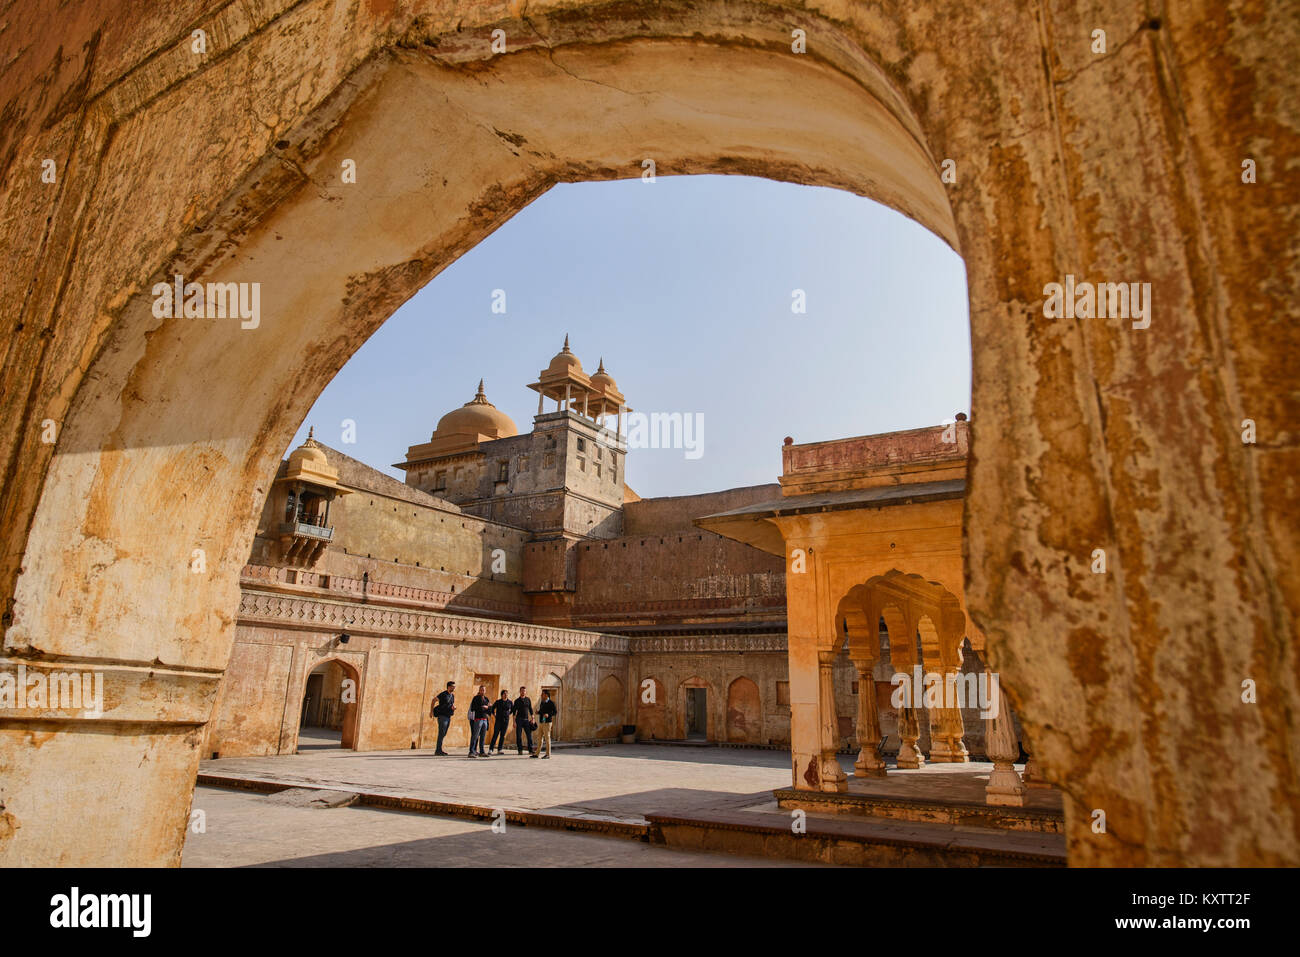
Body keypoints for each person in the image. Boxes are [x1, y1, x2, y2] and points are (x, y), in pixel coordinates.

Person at [430, 680, 455, 755]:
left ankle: (439, 749)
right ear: (449, 687)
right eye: (453, 686)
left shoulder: (452, 695)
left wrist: (453, 707)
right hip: (442, 716)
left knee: (444, 733)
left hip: (448, 716)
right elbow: (434, 700)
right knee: (441, 733)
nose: (454, 687)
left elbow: (450, 704)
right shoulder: (443, 694)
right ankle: (438, 750)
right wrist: (431, 711)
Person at [467, 684, 490, 758]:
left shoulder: (486, 699)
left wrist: (487, 707)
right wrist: (483, 708)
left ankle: (482, 751)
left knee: (483, 736)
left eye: (483, 690)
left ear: (485, 691)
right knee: (475, 736)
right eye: (481, 690)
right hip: (478, 719)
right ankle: (472, 751)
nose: (482, 691)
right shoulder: (476, 698)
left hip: (485, 719)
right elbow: (473, 708)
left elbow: (490, 709)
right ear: (479, 690)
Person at [533, 689, 557, 759]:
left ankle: (548, 754)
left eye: (542, 694)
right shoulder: (542, 702)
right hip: (541, 722)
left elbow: (555, 712)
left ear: (546, 695)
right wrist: (538, 712)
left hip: (547, 723)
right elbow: (542, 712)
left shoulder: (551, 703)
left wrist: (548, 715)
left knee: (547, 738)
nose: (541, 695)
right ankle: (537, 754)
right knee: (539, 738)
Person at [489, 689, 512, 754]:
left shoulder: (510, 702)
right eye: (504, 694)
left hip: (506, 721)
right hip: (498, 720)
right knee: (495, 734)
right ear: (501, 695)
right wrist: (494, 714)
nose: (505, 695)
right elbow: (492, 708)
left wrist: (508, 714)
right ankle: (491, 749)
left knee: (503, 735)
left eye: (506, 694)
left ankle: (500, 749)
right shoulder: (498, 702)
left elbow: (512, 709)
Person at [512, 686, 534, 755]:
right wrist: (514, 722)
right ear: (520, 691)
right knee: (519, 735)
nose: (523, 692)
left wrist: (533, 718)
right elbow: (514, 712)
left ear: (525, 692)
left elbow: (530, 709)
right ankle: (520, 750)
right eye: (522, 691)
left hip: (526, 720)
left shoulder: (528, 699)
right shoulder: (517, 701)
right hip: (519, 720)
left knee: (529, 735)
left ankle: (530, 750)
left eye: (524, 691)